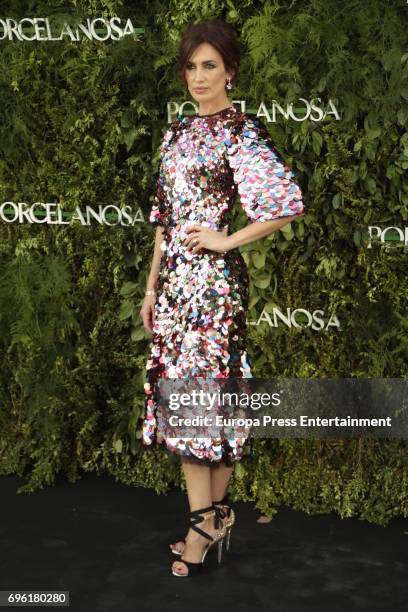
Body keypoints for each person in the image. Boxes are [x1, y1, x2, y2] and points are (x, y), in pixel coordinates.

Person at [140, 19, 305, 577]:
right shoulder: (176, 134)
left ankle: (201, 524)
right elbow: (163, 220)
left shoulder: (240, 131)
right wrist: (150, 285)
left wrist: (226, 239)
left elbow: (284, 203)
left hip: (214, 287)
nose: (199, 77)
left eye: (210, 65)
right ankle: (212, 518)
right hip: (176, 285)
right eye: (191, 66)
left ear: (230, 71)